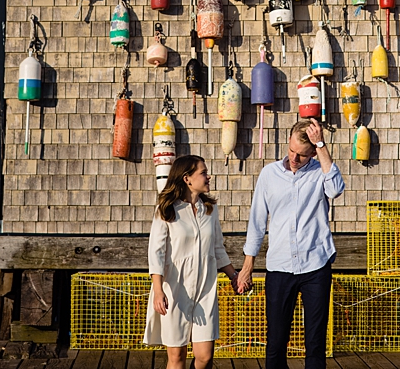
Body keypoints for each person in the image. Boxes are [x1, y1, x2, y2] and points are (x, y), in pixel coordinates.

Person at [237, 117, 345, 369]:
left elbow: (336, 189)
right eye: (292, 151)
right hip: (279, 267)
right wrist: (247, 266)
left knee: (315, 342)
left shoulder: (321, 171)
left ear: (313, 154)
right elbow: (256, 221)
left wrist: (321, 145)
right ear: (288, 142)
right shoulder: (269, 174)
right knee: (275, 341)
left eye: (303, 155)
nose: (295, 158)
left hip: (315, 267)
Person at [143, 155, 250, 369]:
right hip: (174, 289)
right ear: (187, 179)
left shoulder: (209, 210)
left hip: (205, 290)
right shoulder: (166, 209)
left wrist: (234, 276)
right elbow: (156, 252)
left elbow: (218, 248)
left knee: (205, 356)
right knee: (177, 357)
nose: (208, 176)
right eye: (203, 172)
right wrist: (158, 291)